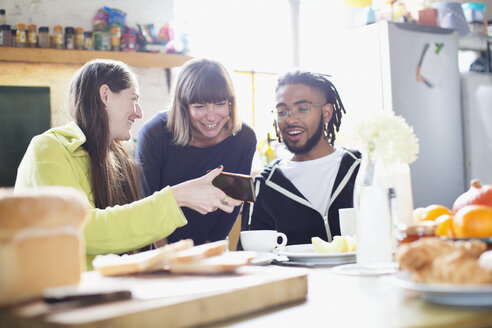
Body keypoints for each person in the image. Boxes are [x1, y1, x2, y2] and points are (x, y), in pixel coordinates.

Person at [15, 59, 242, 269]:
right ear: (105, 95)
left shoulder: (118, 159)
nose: (139, 112)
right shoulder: (48, 148)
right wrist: (178, 196)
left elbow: (128, 240)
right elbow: (82, 229)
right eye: (133, 99)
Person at [136, 58, 257, 245]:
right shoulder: (154, 134)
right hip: (159, 246)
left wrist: (207, 251)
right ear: (184, 106)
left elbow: (230, 206)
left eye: (219, 104)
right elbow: (149, 205)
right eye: (200, 106)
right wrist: (168, 256)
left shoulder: (244, 139)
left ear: (230, 103)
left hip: (211, 246)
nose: (211, 116)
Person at [240, 71, 361, 246]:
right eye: (282, 112)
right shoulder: (264, 186)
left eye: (302, 109)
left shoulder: (361, 168)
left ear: (326, 113)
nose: (290, 120)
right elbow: (252, 261)